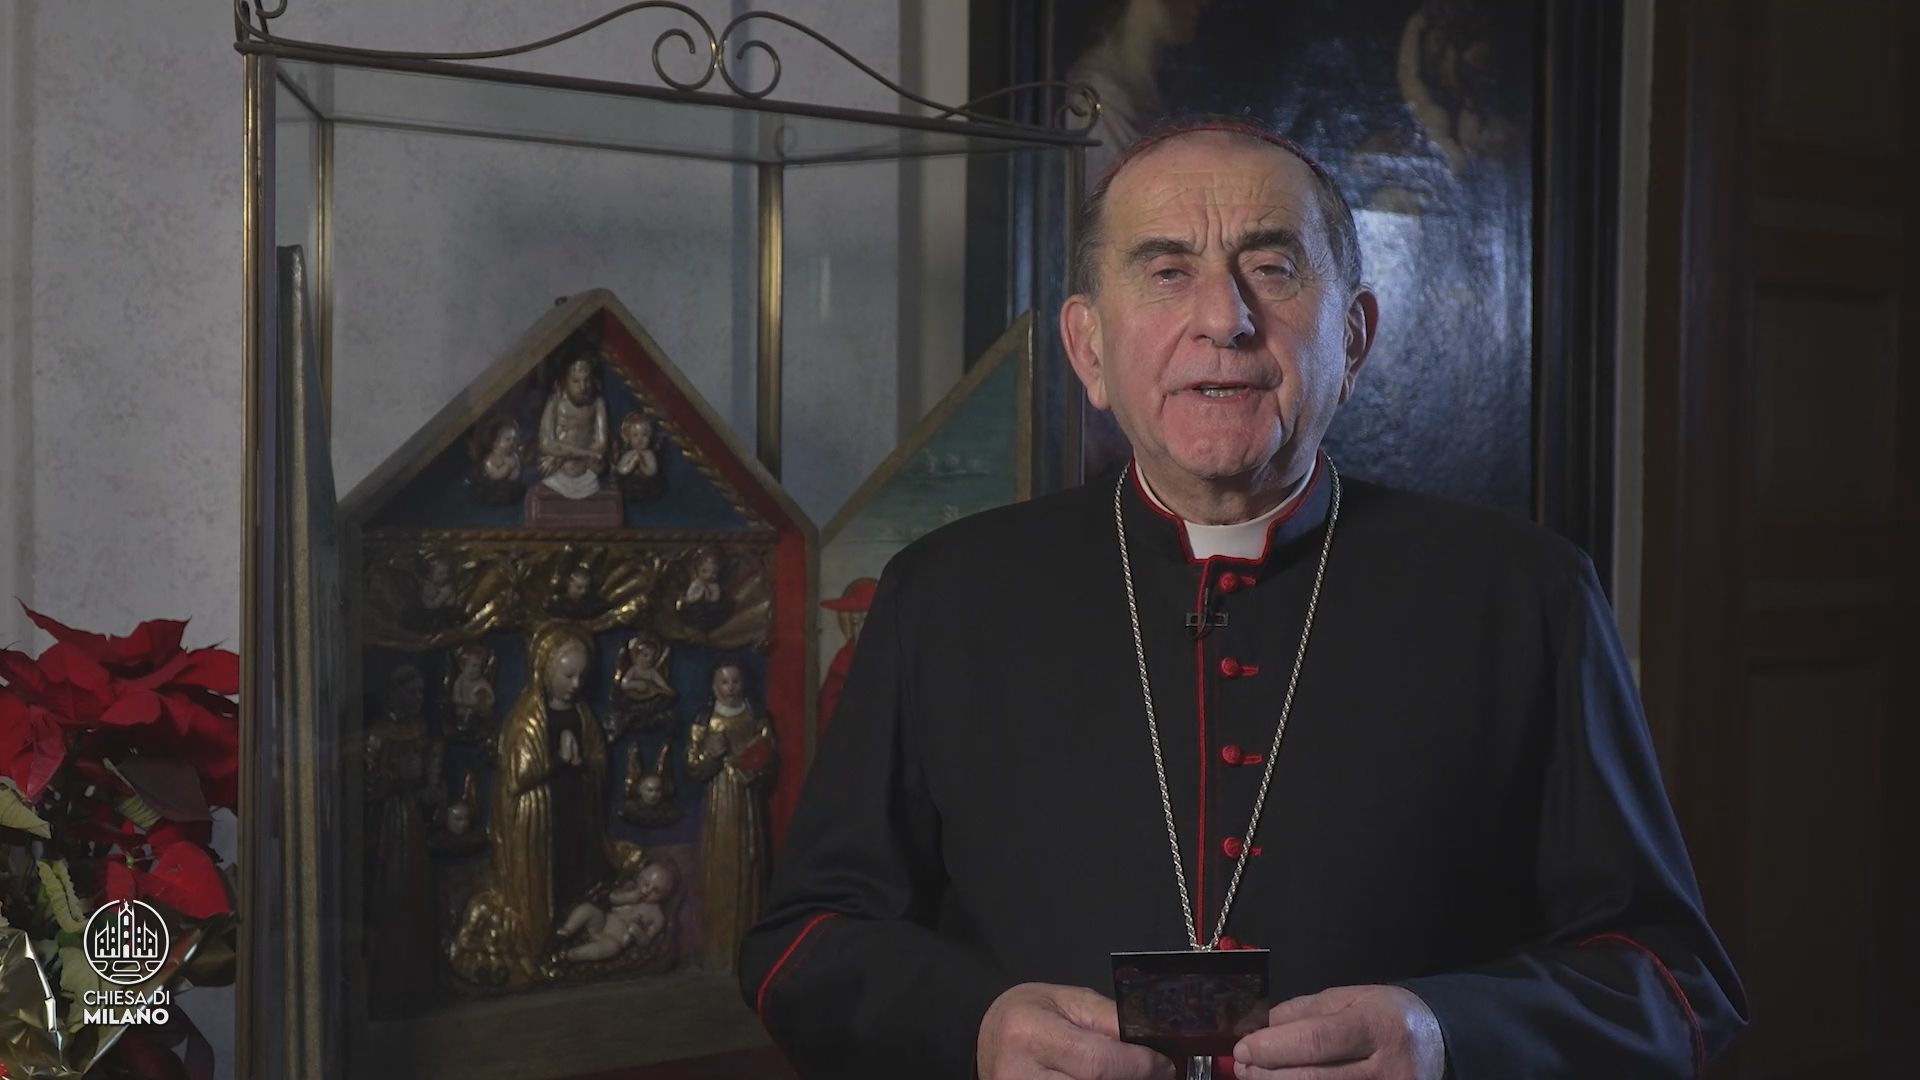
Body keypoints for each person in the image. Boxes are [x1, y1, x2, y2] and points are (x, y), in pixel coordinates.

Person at [739, 118, 1745, 1080]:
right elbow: (803, 944)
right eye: (1166, 271)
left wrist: (1446, 1039)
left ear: (1353, 338)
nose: (1224, 320)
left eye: (1271, 268)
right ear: (1089, 350)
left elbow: (1672, 980)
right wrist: (974, 1028)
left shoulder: (1524, 595)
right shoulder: (947, 594)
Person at [537, 357, 610, 499]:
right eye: (576, 381)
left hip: (587, 473)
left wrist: (560, 455)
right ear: (564, 381)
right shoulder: (555, 402)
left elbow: (601, 445)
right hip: (557, 473)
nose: (583, 387)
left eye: (587, 380)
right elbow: (546, 443)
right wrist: (586, 454)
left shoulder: (597, 403)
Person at [816, 577, 877, 734]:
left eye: (866, 622)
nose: (860, 630)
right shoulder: (843, 661)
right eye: (855, 623)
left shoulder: (897, 659)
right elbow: (827, 712)